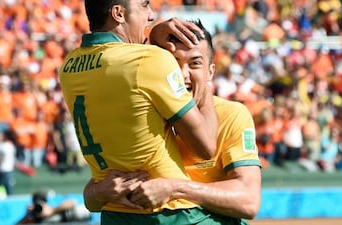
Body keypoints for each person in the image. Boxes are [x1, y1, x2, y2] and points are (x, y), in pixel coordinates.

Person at [59, 1, 229, 224]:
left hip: (114, 212)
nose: (151, 16)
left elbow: (129, 79)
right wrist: (205, 80)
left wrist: (154, 35)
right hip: (170, 213)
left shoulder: (69, 65)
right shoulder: (149, 61)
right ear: (118, 13)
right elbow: (205, 146)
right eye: (144, 6)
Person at [83, 20, 262, 222]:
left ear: (210, 71)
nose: (182, 74)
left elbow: (249, 201)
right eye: (172, 63)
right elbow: (92, 196)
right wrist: (99, 192)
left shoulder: (232, 115)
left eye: (194, 63)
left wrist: (175, 187)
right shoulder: (143, 113)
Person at [17, 190, 91, 224]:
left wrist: (52, 211)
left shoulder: (55, 206)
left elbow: (72, 203)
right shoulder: (34, 218)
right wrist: (27, 216)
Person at [0, 130, 17, 197]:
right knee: (5, 186)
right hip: (9, 169)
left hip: (4, 169)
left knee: (5, 186)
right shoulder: (11, 145)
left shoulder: (4, 146)